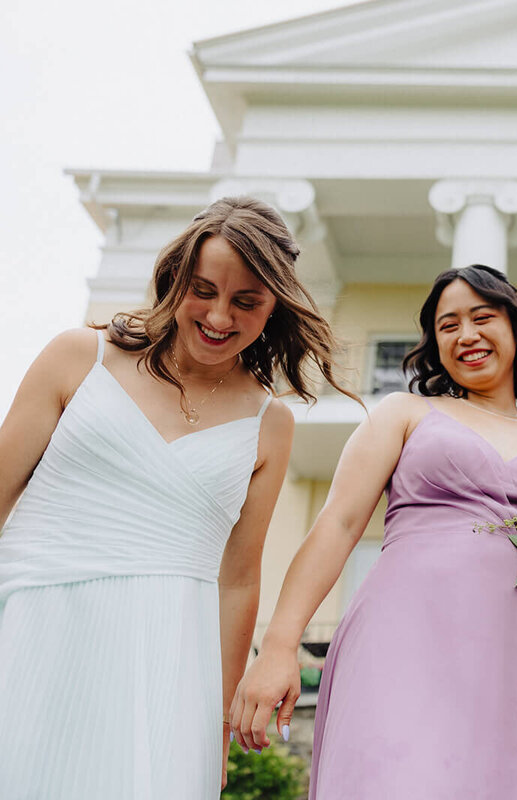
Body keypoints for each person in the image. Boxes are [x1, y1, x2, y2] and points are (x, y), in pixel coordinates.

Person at [231, 265, 517, 799]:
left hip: (514, 659)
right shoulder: (406, 412)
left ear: (515, 328)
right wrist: (279, 645)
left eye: (482, 317)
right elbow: (339, 524)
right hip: (404, 636)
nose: (466, 334)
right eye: (448, 325)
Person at [0, 196, 352, 797]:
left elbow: (238, 580)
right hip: (34, 620)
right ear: (172, 281)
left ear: (274, 308)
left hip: (168, 658)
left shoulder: (270, 425)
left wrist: (216, 726)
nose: (219, 317)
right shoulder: (76, 357)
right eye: (203, 290)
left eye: (247, 301)